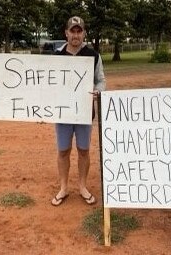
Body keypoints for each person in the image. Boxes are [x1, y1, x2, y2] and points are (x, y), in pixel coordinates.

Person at [51, 16, 106, 206]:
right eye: (72, 31)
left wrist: (99, 91)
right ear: (66, 33)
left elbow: (101, 80)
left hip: (84, 113)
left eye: (79, 31)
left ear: (84, 33)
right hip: (63, 114)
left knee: (84, 151)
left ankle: (82, 186)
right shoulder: (56, 57)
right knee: (63, 151)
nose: (75, 35)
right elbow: (46, 86)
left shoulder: (94, 56)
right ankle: (64, 188)